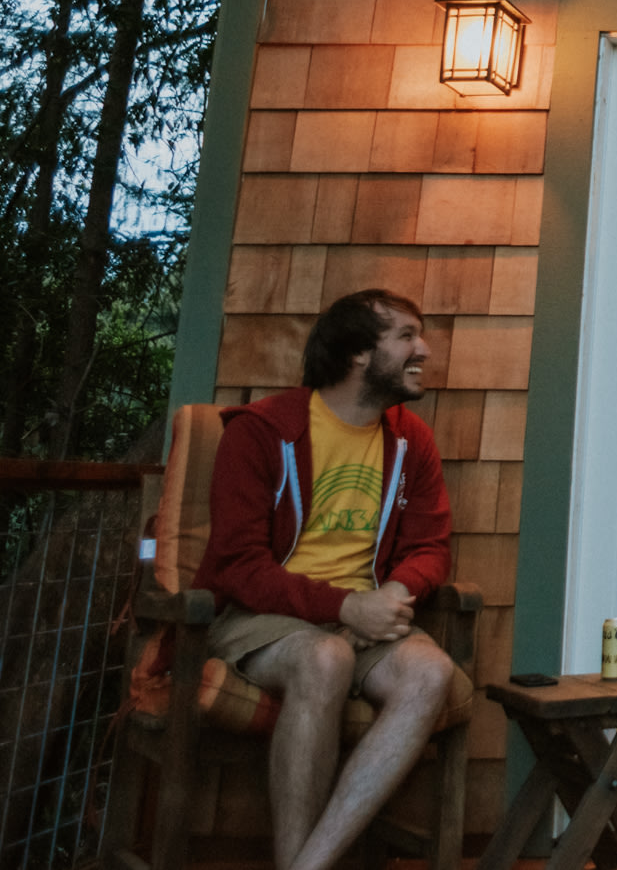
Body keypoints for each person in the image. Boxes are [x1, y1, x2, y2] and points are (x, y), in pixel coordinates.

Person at [192, 289, 457, 870]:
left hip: (363, 617)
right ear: (360, 351)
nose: (425, 350)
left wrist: (392, 593)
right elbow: (239, 566)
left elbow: (430, 546)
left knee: (432, 673)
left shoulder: (412, 440)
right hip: (263, 619)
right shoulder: (262, 432)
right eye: (407, 336)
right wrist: (344, 608)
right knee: (324, 658)